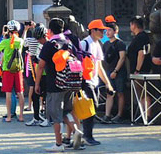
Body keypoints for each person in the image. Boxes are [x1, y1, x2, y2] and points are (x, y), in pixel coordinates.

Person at [35, 17, 83, 152]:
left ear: (49, 30)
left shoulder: (50, 45)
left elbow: (40, 66)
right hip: (69, 83)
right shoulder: (68, 42)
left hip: (54, 84)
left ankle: (58, 144)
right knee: (66, 111)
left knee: (56, 115)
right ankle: (76, 130)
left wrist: (37, 83)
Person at [79, 19, 115, 146]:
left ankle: (87, 135)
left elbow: (99, 66)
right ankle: (86, 135)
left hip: (94, 81)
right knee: (90, 107)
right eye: (100, 30)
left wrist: (107, 83)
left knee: (94, 107)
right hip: (85, 81)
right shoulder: (84, 44)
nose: (102, 32)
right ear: (93, 30)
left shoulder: (98, 44)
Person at [0, 20, 25, 123]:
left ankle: (9, 116)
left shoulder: (5, 42)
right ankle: (21, 116)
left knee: (8, 93)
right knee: (20, 92)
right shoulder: (20, 41)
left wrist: (4, 36)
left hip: (7, 69)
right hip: (18, 69)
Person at [128, 16, 153, 121]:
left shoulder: (141, 37)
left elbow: (141, 53)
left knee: (144, 93)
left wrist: (137, 69)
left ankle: (147, 115)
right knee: (140, 93)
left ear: (134, 25)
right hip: (138, 71)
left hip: (141, 71)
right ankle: (143, 115)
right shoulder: (139, 37)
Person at [102, 22, 128, 123]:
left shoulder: (120, 43)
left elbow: (122, 58)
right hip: (109, 70)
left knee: (120, 93)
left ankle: (119, 115)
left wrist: (116, 70)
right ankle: (107, 115)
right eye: (106, 31)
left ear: (115, 31)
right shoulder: (106, 44)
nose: (107, 32)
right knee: (109, 93)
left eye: (109, 30)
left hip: (119, 72)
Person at [25, 23, 48, 127]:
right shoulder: (41, 45)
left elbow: (43, 64)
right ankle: (36, 117)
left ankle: (47, 118)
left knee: (46, 97)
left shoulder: (49, 45)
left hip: (46, 75)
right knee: (35, 96)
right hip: (39, 74)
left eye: (39, 38)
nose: (38, 41)